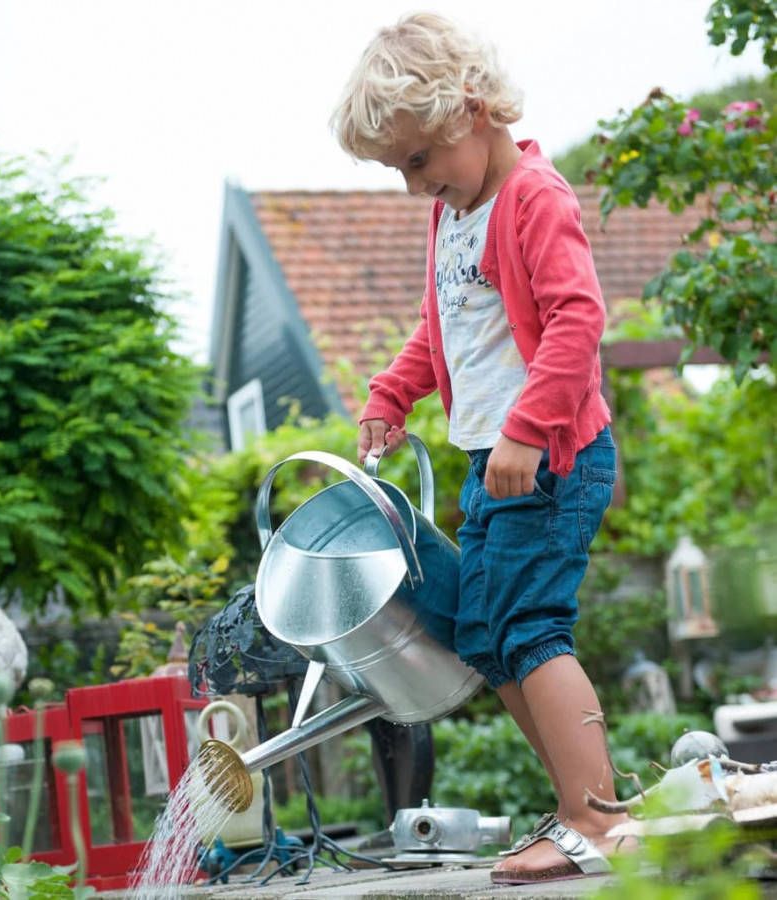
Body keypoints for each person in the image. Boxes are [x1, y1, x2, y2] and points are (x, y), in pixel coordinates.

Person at [330, 12, 629, 885]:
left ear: (469, 109)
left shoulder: (533, 198)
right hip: (493, 465)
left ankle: (595, 819)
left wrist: (527, 432)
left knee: (532, 628)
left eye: (419, 160)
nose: (414, 185)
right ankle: (583, 803)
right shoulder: (454, 217)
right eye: (401, 170)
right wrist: (391, 393)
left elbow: (579, 323)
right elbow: (445, 330)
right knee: (485, 636)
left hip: (553, 459)